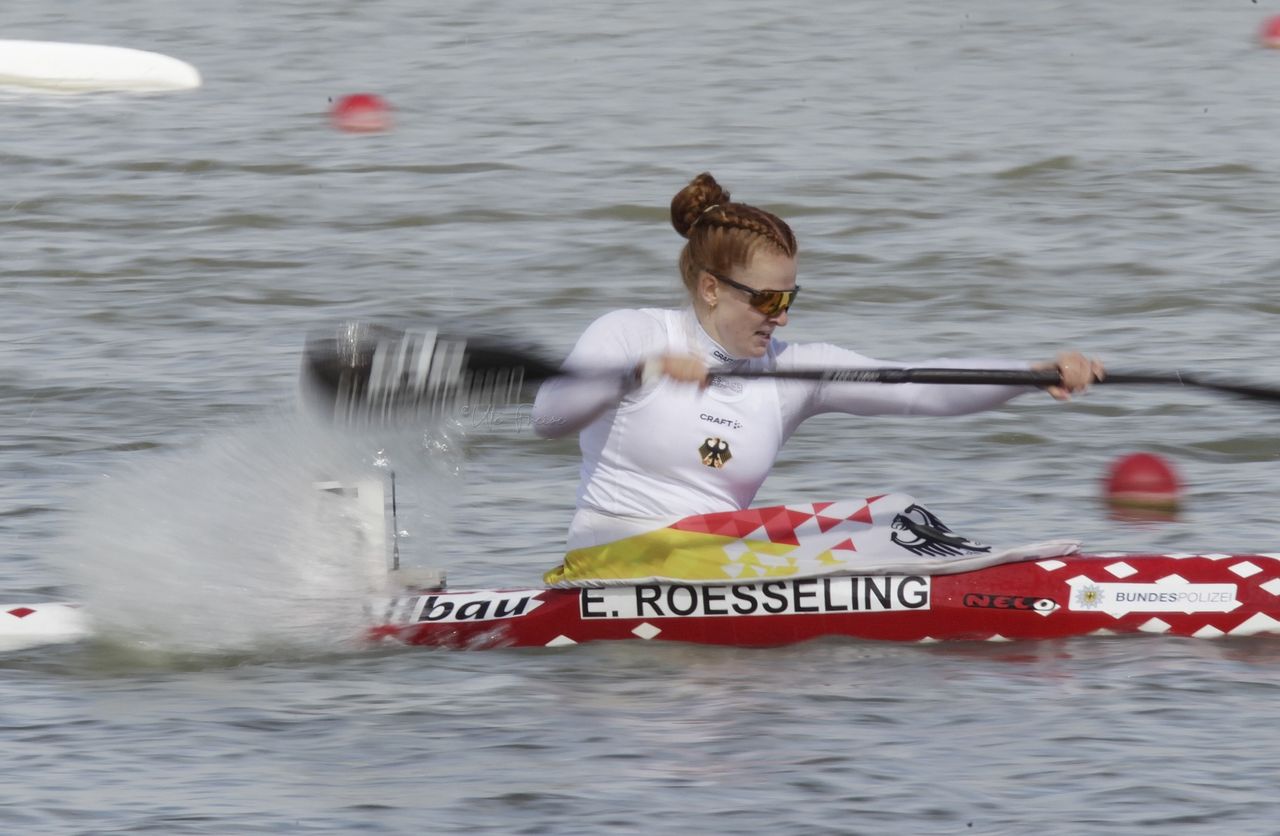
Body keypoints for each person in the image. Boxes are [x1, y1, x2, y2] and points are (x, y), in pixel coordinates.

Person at [531, 172, 1103, 581]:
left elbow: (915, 389)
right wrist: (634, 375)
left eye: (790, 297)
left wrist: (1029, 375)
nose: (781, 314)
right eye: (767, 298)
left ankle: (1004, 579)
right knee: (881, 525)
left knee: (893, 513)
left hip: (719, 558)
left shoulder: (792, 371)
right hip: (616, 558)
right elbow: (548, 418)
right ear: (711, 288)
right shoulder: (630, 334)